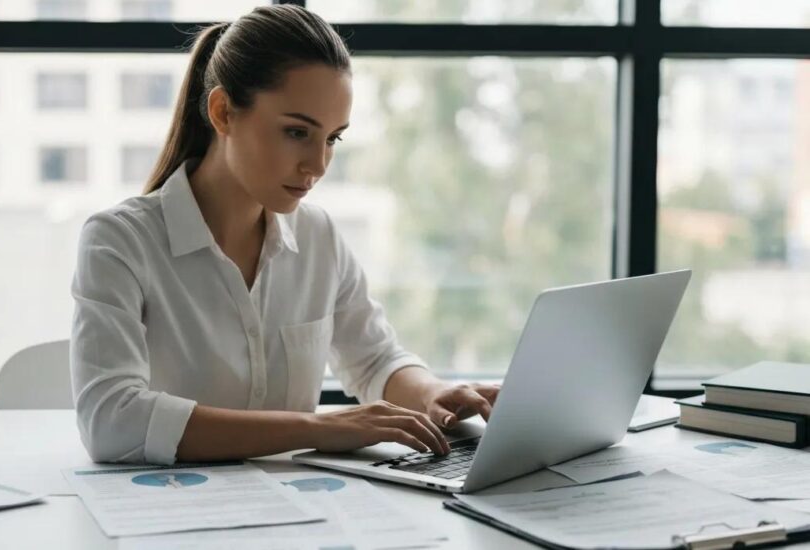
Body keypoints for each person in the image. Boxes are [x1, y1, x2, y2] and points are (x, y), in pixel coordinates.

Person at [71, 4, 499, 465]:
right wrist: (317, 427)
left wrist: (434, 392)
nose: (317, 165)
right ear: (223, 112)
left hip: (299, 512)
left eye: (333, 138)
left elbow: (374, 360)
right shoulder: (119, 241)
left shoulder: (318, 237)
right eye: (297, 132)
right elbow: (111, 420)